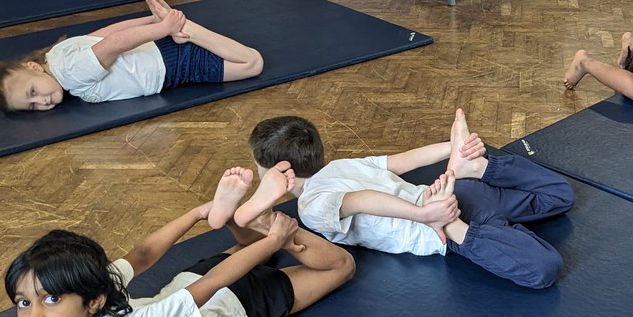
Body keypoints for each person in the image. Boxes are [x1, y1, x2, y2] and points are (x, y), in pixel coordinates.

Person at [5, 167, 355, 317]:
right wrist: (198, 214)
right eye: (24, 301)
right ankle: (238, 217)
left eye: (51, 299)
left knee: (341, 266)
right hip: (192, 284)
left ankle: (262, 220)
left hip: (238, 307)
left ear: (94, 301)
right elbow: (142, 256)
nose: (34, 316)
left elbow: (215, 282)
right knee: (253, 247)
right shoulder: (90, 288)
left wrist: (278, 239)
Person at [243, 109, 574, 289]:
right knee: (559, 195)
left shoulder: (310, 205)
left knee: (544, 269)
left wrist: (428, 216)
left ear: (279, 169)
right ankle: (478, 167)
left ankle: (463, 193)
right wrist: (452, 150)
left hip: (445, 228)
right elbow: (404, 160)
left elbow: (361, 199)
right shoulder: (339, 166)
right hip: (457, 192)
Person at [0, 0, 263, 113]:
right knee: (247, 63)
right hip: (160, 56)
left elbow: (115, 42)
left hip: (172, 66)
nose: (43, 102)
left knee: (252, 63)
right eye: (33, 106)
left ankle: (186, 29)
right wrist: (149, 21)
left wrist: (164, 27)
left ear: (33, 68)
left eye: (33, 92)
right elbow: (106, 32)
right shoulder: (55, 55)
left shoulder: (71, 73)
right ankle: (180, 29)